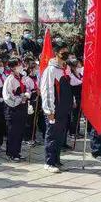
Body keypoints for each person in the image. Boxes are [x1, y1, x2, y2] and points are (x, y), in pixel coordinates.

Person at [40, 40, 73, 173]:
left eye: (67, 51)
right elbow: (47, 90)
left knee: (60, 136)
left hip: (64, 109)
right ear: (56, 53)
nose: (65, 54)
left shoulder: (66, 69)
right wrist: (49, 110)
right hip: (54, 109)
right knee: (52, 135)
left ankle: (57, 160)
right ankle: (49, 162)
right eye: (62, 52)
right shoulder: (51, 70)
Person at [3, 57, 29, 161]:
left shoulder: (22, 77)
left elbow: (27, 89)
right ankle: (10, 153)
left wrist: (27, 95)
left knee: (20, 131)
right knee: (13, 131)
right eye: (18, 65)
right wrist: (19, 99)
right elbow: (7, 96)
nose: (21, 66)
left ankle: (17, 152)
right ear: (13, 67)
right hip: (13, 108)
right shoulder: (10, 79)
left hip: (23, 106)